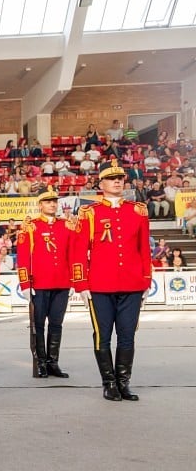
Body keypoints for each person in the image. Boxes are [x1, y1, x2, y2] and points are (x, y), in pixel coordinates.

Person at [72, 160, 150, 401]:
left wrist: (146, 280)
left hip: (132, 284)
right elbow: (77, 251)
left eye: (121, 178)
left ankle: (123, 382)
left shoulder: (137, 210)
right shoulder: (89, 212)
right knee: (102, 335)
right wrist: (81, 284)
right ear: (101, 183)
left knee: (127, 335)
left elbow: (143, 248)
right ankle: (109, 382)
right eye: (112, 178)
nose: (118, 181)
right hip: (100, 286)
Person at [16, 189, 75, 378]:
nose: (52, 204)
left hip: (62, 282)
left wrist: (73, 280)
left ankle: (53, 362)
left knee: (57, 324)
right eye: (47, 201)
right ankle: (40, 362)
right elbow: (23, 258)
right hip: (39, 284)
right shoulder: (30, 227)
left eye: (54, 201)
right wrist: (25, 284)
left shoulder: (66, 225)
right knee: (38, 325)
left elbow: (72, 254)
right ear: (40, 205)